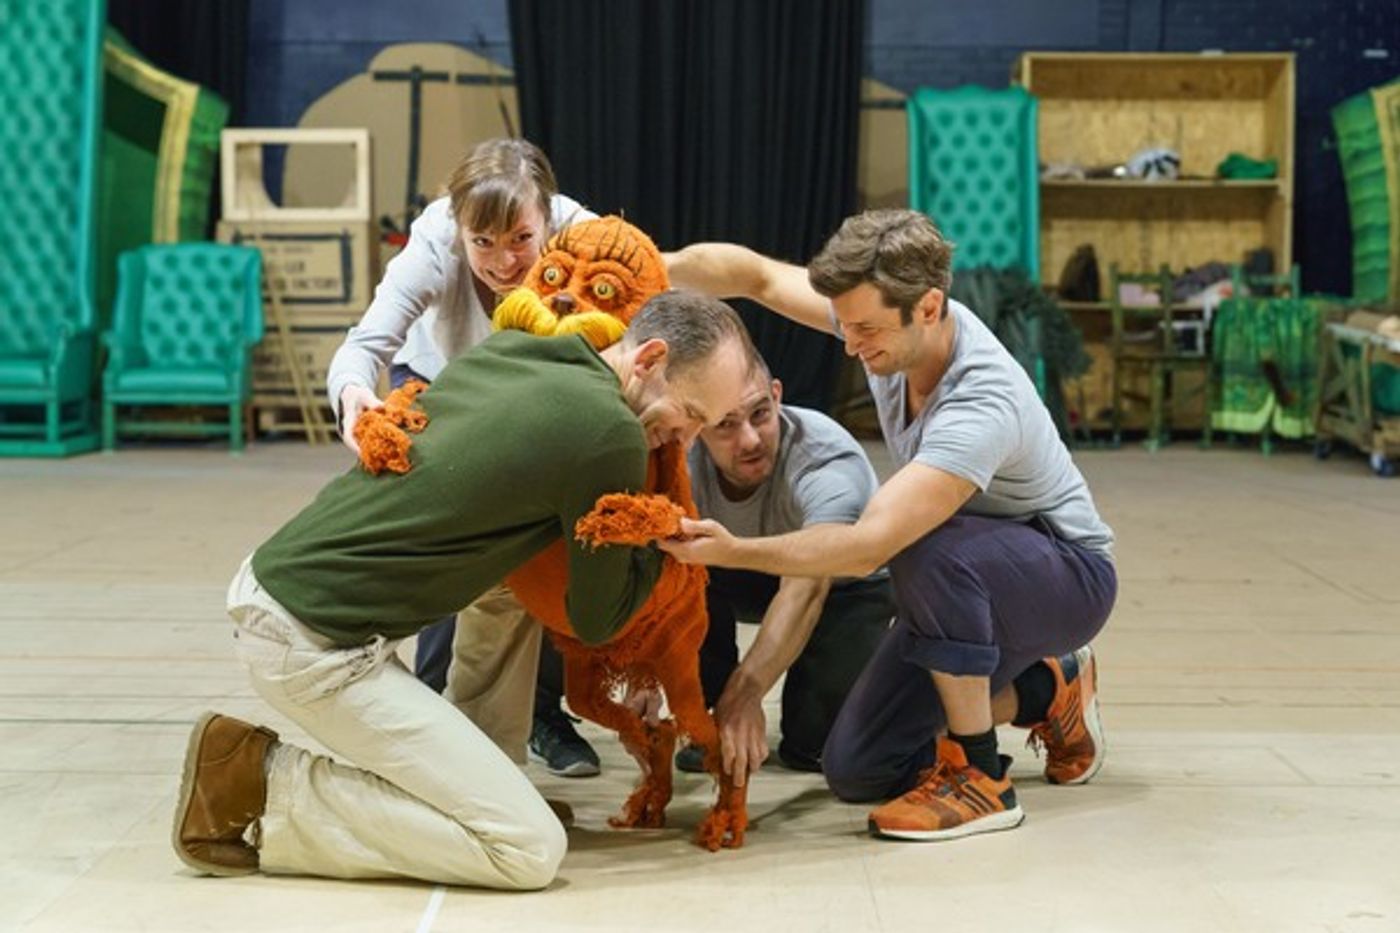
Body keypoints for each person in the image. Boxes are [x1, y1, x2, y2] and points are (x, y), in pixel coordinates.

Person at [172, 291, 760, 887]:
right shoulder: (610, 433)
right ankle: (259, 785)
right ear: (649, 358)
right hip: (314, 646)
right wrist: (663, 543)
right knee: (526, 849)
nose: (684, 437)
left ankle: (481, 797)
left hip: (277, 585)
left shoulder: (519, 349)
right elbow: (597, 620)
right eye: (689, 412)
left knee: (499, 611)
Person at [662, 209, 1117, 842]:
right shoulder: (882, 322)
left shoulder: (981, 400)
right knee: (858, 765)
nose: (850, 345)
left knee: (915, 541)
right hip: (970, 578)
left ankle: (982, 779)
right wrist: (650, 267)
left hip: (1064, 575)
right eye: (843, 325)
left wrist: (734, 549)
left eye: (865, 330)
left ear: (928, 307)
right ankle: (1050, 691)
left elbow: (866, 547)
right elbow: (754, 276)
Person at [325, 137, 592, 765]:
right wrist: (354, 393)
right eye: (484, 243)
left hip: (539, 392)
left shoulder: (584, 233)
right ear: (460, 228)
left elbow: (643, 309)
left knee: (543, 551)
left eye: (521, 240)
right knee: (451, 544)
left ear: (547, 218)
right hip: (440, 380)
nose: (504, 261)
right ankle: (434, 707)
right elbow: (366, 342)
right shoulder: (434, 238)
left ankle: (540, 715)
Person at [672, 353, 895, 779]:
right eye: (726, 425)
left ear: (777, 396)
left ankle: (1043, 688)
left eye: (760, 414)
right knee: (681, 577)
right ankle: (705, 709)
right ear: (696, 424)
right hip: (723, 569)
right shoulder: (677, 458)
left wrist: (745, 692)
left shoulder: (826, 459)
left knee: (816, 749)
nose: (751, 439)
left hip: (843, 584)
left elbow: (806, 586)